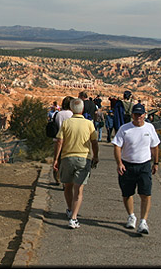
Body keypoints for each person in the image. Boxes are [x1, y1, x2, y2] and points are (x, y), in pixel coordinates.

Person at [113, 103, 160, 235]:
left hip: (144, 165)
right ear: (132, 115)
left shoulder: (149, 128)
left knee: (145, 193)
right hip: (127, 165)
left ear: (145, 115)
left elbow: (155, 146)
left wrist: (156, 163)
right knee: (127, 193)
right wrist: (119, 163)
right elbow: (117, 146)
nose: (138, 117)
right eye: (136, 114)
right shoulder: (124, 129)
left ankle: (143, 221)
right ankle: (131, 216)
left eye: (140, 114)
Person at [53, 98, 100, 229]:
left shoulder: (66, 123)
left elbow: (59, 141)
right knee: (78, 190)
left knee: (67, 186)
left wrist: (56, 159)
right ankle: (74, 217)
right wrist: (96, 156)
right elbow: (94, 142)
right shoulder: (89, 124)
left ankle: (69, 209)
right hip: (83, 158)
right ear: (83, 110)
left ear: (72, 109)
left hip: (67, 157)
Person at [51, 96, 74, 185]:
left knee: (58, 159)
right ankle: (66, 181)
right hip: (70, 140)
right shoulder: (72, 115)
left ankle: (57, 178)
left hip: (58, 139)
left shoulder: (58, 114)